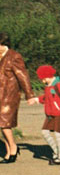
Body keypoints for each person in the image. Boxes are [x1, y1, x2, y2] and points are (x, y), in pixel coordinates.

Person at [26, 65, 60, 165]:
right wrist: (36, 100)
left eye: (42, 79)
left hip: (59, 113)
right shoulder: (49, 86)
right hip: (50, 114)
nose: (42, 81)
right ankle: (57, 151)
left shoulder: (58, 85)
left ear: (46, 76)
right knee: (45, 132)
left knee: (58, 133)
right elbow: (47, 98)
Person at [0, 32, 34, 163]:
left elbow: (22, 76)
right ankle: (9, 151)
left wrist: (29, 94)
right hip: (1, 94)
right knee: (3, 124)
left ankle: (13, 148)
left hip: (9, 95)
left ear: (3, 44)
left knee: (4, 124)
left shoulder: (14, 56)